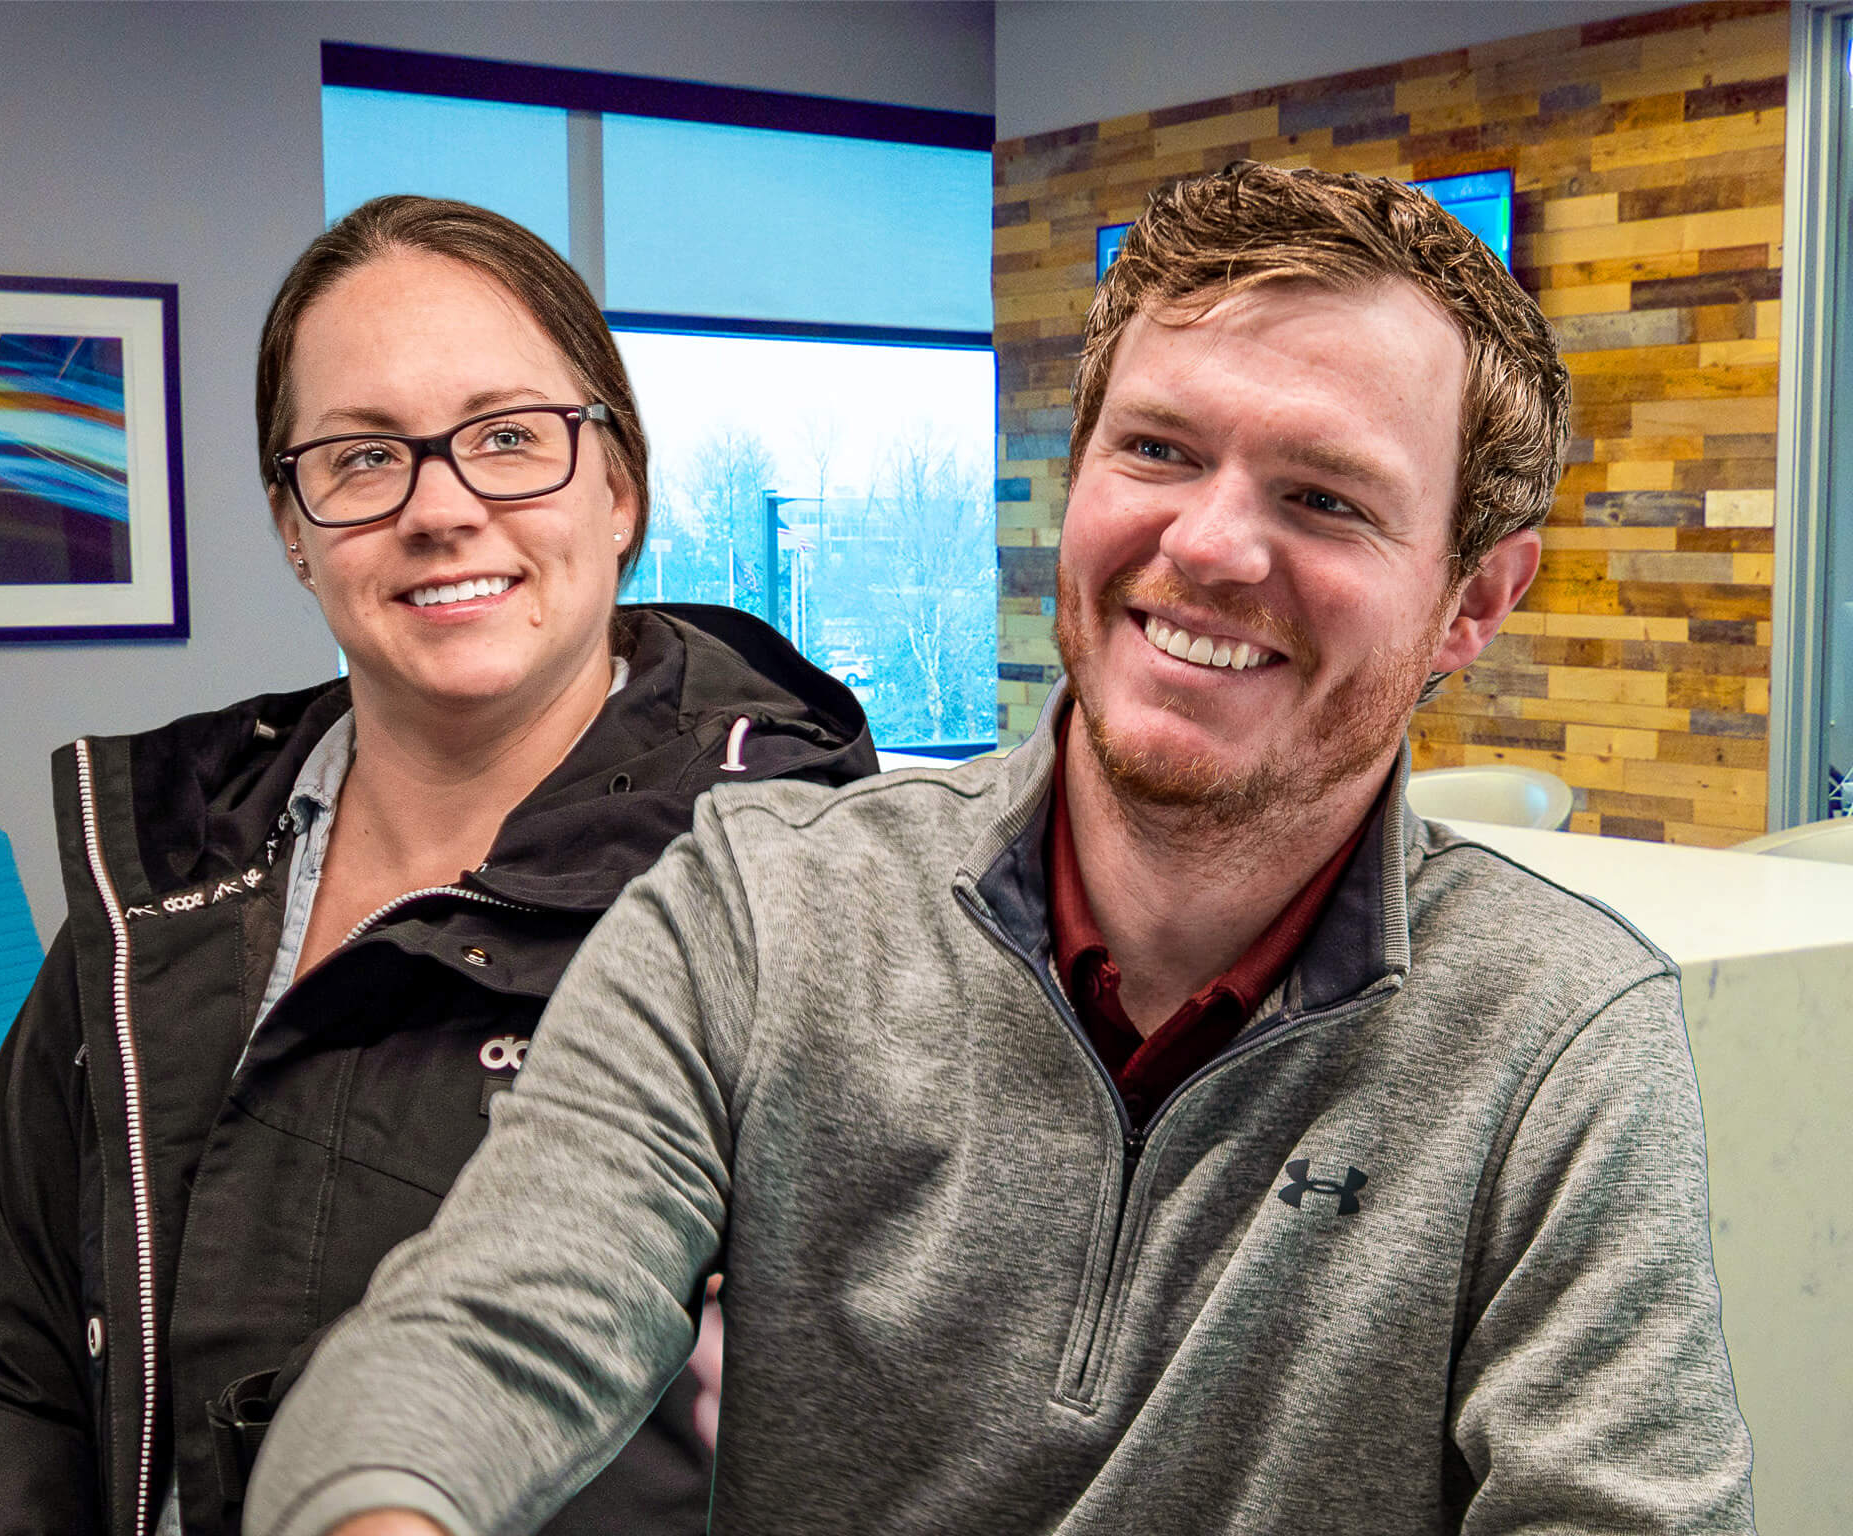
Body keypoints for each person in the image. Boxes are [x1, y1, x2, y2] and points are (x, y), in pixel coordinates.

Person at [243, 164, 1754, 1536]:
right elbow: (491, 1330)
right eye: (1158, 450)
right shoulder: (760, 909)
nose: (1213, 546)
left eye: (1324, 496)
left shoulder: (1563, 1037)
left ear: (1474, 602)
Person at [0, 195, 875, 1536]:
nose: (442, 507)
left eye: (510, 437)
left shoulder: (795, 898)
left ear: (622, 483)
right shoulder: (162, 884)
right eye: (362, 458)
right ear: (295, 528)